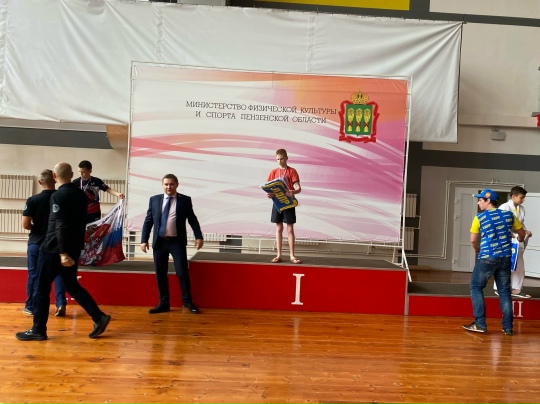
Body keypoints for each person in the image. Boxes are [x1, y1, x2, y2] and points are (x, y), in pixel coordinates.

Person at [16, 162, 111, 341]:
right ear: (72, 174)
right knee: (72, 286)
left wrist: (62, 252)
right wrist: (70, 250)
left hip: (54, 249)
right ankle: (98, 317)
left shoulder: (58, 196)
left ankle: (38, 329)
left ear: (54, 176)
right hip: (73, 248)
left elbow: (59, 224)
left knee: (40, 288)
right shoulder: (82, 195)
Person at [462, 189, 525, 336]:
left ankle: (480, 324)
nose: (478, 203)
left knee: (476, 287)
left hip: (487, 258)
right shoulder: (509, 215)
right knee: (504, 292)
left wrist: (476, 249)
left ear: (488, 201)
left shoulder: (479, 217)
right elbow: (521, 234)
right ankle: (508, 327)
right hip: (505, 258)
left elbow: (473, 240)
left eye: (480, 200)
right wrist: (520, 239)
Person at [140, 174, 204, 314]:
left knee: (182, 272)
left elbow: (192, 219)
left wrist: (198, 236)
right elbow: (148, 221)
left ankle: (187, 302)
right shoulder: (154, 200)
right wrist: (144, 240)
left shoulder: (185, 200)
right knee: (160, 273)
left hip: (177, 242)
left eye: (171, 184)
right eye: (166, 184)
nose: (169, 187)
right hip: (160, 242)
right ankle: (163, 303)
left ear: (177, 185)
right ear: (162, 185)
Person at [21, 169, 68, 317]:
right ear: (54, 179)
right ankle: (60, 304)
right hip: (56, 242)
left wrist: (37, 229)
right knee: (58, 274)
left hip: (36, 242)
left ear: (40, 182)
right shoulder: (61, 198)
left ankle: (30, 306)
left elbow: (25, 224)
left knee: (34, 274)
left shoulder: (33, 200)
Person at [494, 186, 533, 298]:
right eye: (521, 197)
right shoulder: (504, 207)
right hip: (506, 240)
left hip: (517, 239)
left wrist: (525, 231)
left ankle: (516, 288)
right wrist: (511, 234)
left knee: (518, 265)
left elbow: (520, 224)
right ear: (513, 196)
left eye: (524, 198)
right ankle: (499, 288)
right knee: (505, 264)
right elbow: (500, 225)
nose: (523, 200)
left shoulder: (522, 209)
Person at [266, 148, 302, 264]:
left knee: (290, 229)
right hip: (277, 203)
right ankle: (279, 255)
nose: (279, 161)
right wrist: (270, 194)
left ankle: (292, 255)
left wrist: (293, 192)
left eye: (281, 159)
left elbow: (299, 188)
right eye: (277, 159)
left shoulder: (292, 171)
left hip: (288, 202)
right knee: (279, 228)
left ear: (286, 158)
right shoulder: (273, 172)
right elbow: (269, 188)